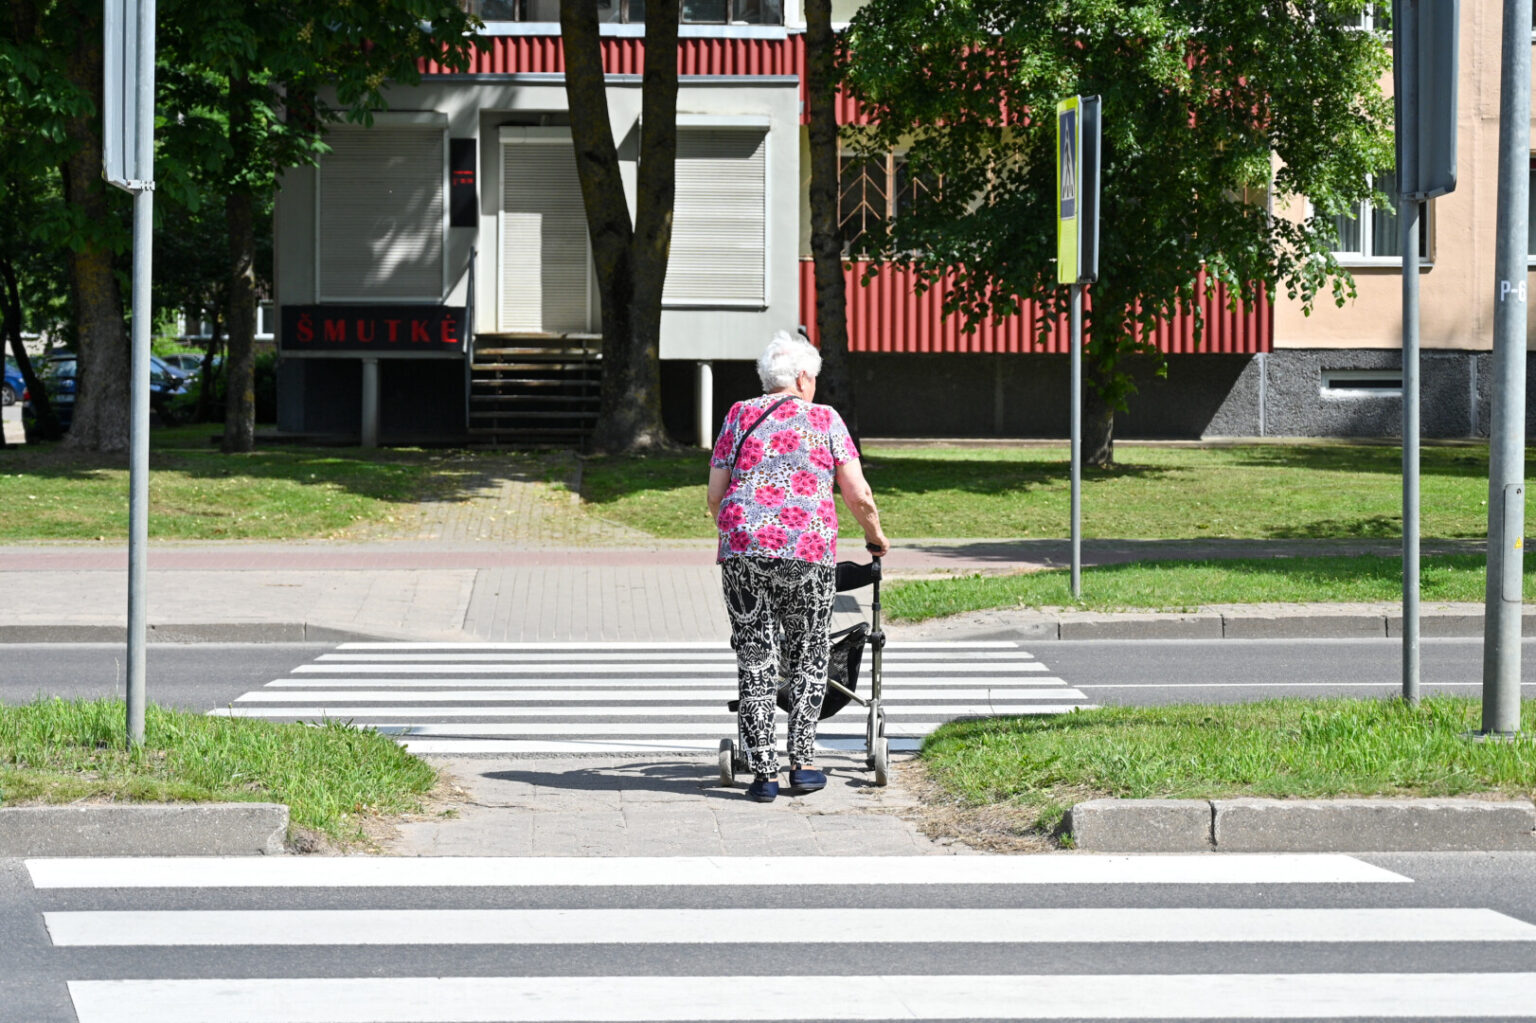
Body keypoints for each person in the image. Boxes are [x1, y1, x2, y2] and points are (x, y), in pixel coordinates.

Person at [707, 331, 890, 803]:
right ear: (805, 377)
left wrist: (743, 532)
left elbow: (714, 496)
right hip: (806, 551)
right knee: (809, 654)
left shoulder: (738, 414)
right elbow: (857, 493)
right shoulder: (825, 419)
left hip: (743, 550)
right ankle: (803, 765)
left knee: (754, 658)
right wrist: (875, 537)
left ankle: (763, 774)